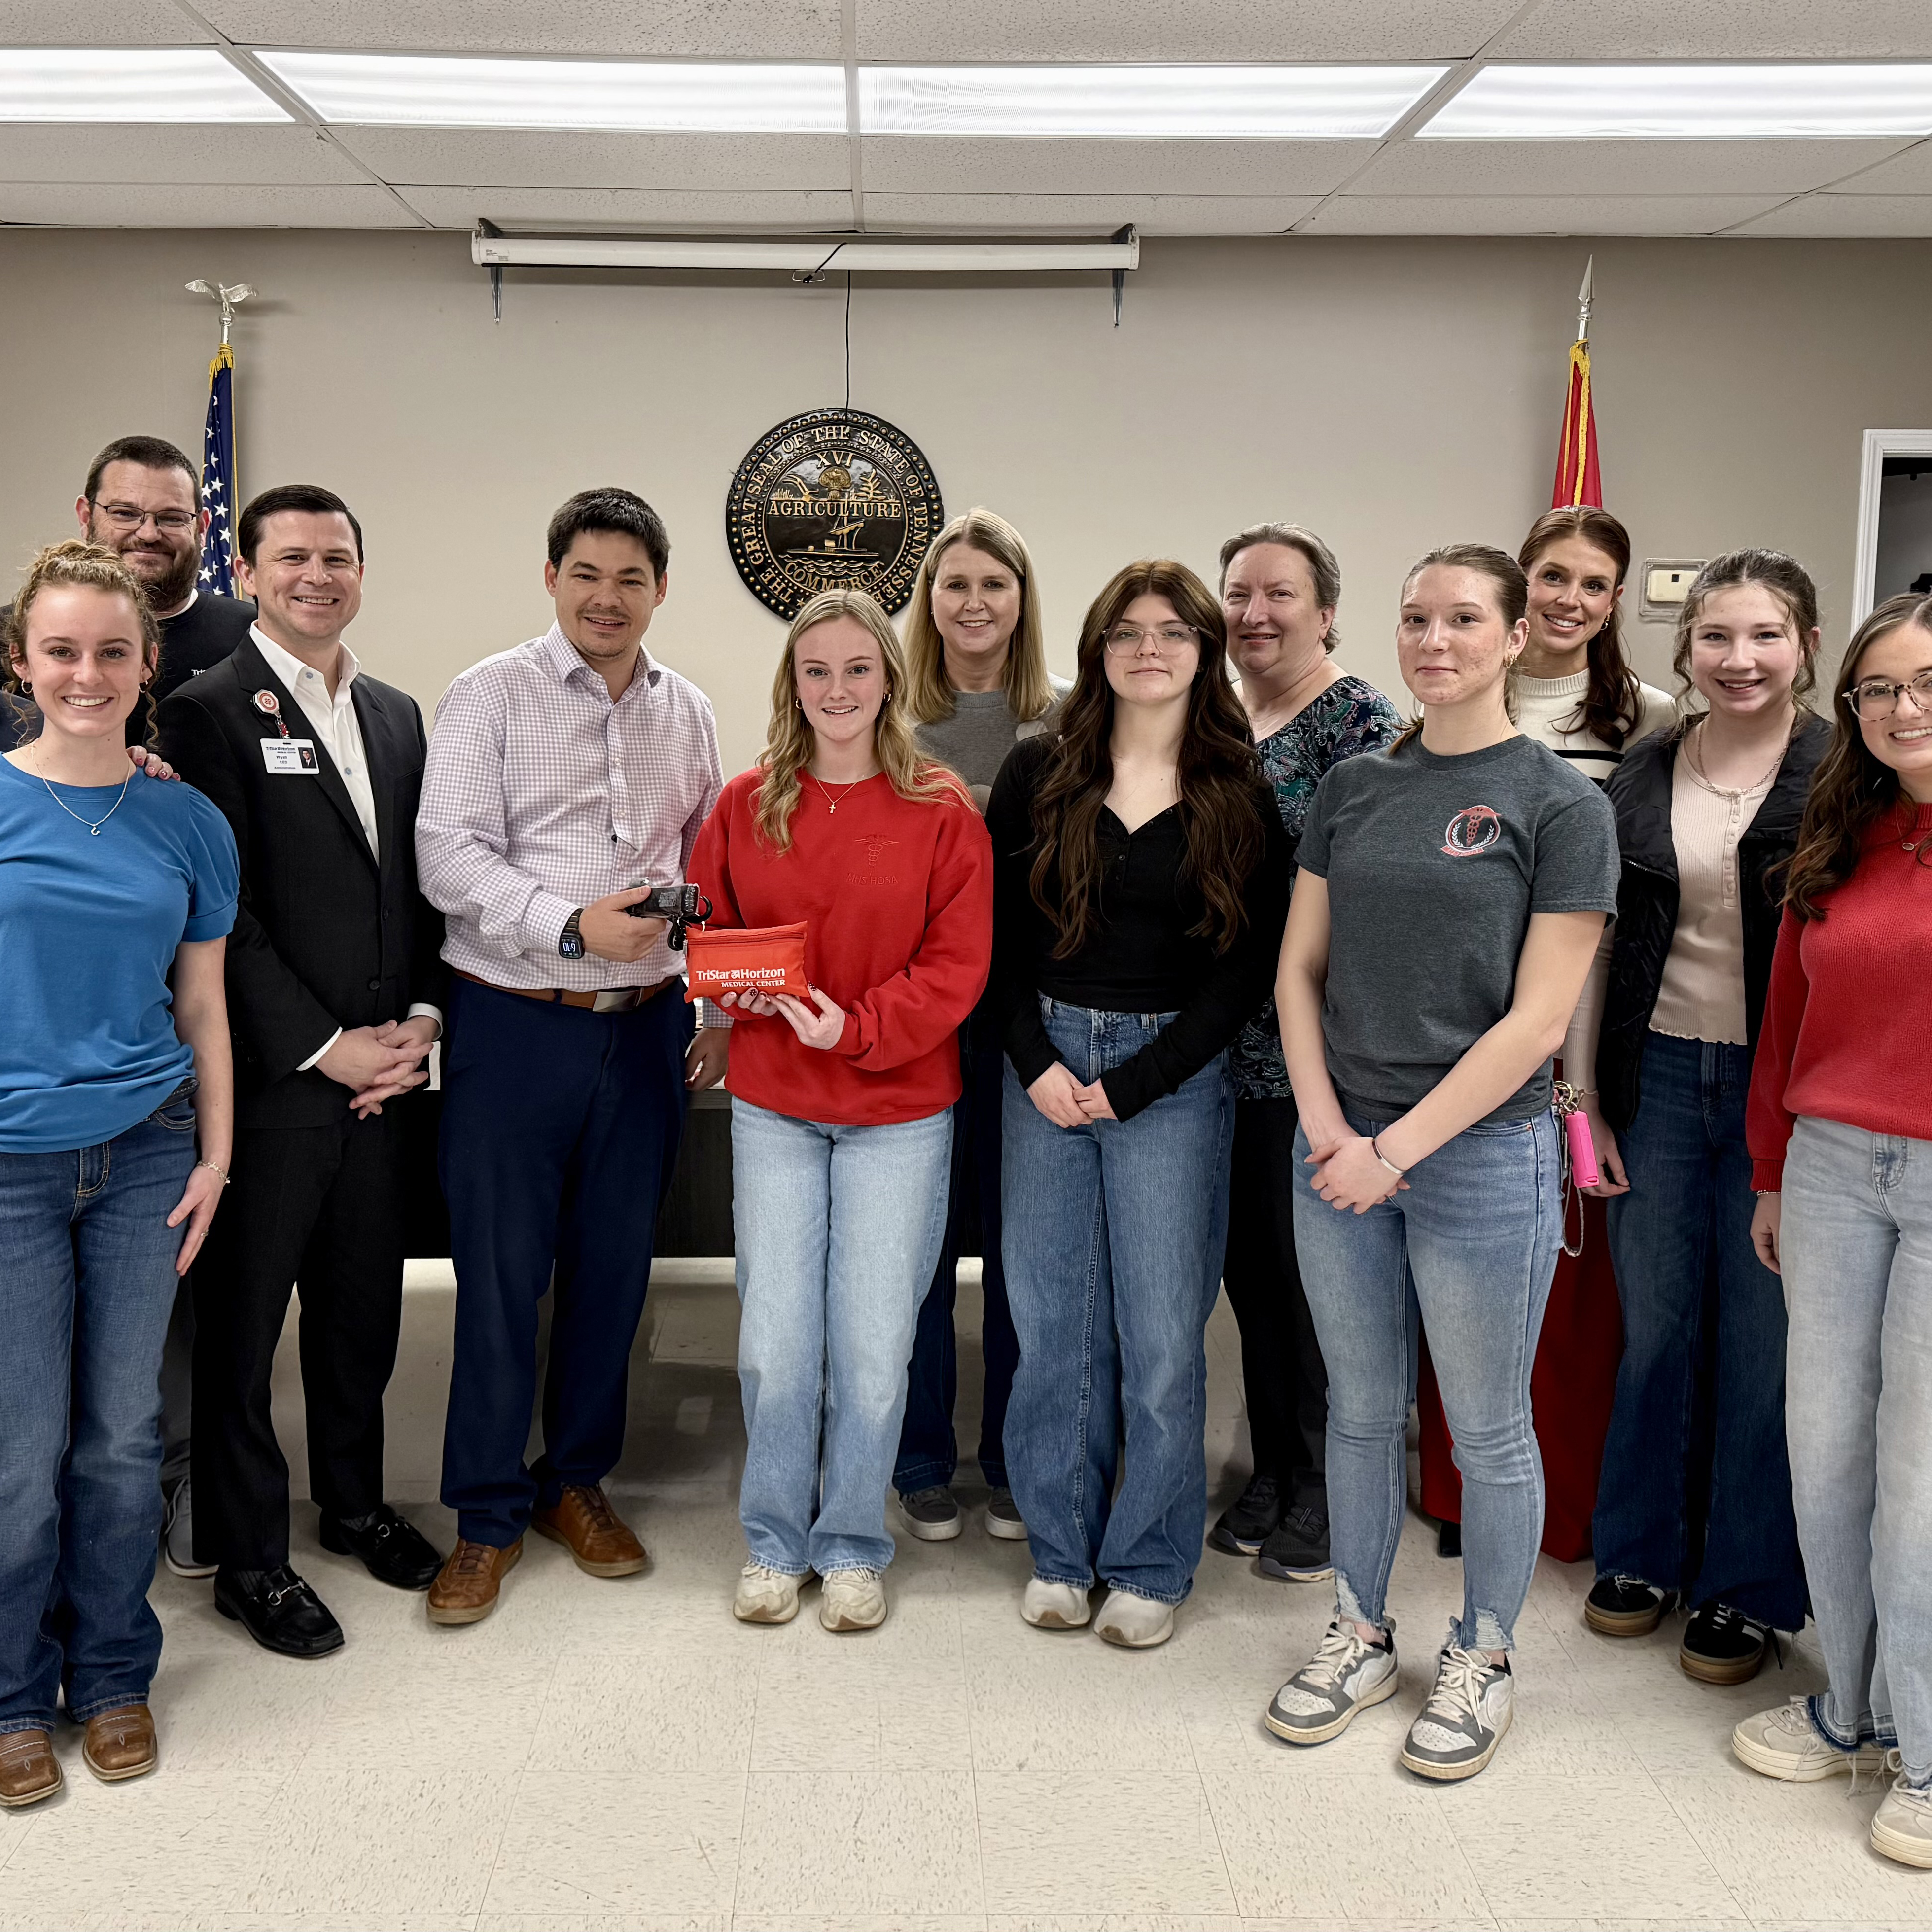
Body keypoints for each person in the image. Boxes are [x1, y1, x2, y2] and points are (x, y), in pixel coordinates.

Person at [1268, 544, 1616, 1781]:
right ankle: (1360, 1627)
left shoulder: (1561, 804)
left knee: (1485, 1429)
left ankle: (1484, 1651)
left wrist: (1397, 1150)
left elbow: (1535, 1022)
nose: (1436, 638)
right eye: (1416, 617)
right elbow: (1296, 970)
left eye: (1464, 617)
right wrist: (1326, 1131)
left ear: (1515, 635)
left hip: (1483, 1158)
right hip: (1338, 1154)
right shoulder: (1354, 787)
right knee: (1360, 1415)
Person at [416, 487, 724, 1627]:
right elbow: (447, 856)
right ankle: (485, 1516)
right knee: (500, 1276)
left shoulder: (686, 710)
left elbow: (704, 868)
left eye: (631, 579)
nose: (608, 598)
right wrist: (567, 923)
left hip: (642, 1029)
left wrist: (710, 998)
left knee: (614, 1273)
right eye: (587, 575)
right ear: (553, 578)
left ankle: (573, 1484)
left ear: (658, 589)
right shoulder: (488, 694)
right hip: (515, 1019)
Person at [159, 483, 448, 1658]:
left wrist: (421, 1021)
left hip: (387, 1081)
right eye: (292, 557)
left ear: (362, 572)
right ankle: (251, 1558)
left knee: (357, 1315)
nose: (317, 575)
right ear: (250, 569)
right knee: (241, 1331)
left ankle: (355, 1502)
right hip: (276, 1085)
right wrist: (327, 1048)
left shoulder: (395, 713)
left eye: (338, 557)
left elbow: (422, 888)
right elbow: (223, 922)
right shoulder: (205, 712)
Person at [991, 559, 1291, 1650]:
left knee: (1162, 1333)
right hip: (1045, 1066)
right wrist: (1036, 1063)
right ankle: (1061, 1555)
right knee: (1055, 1323)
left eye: (1172, 630)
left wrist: (1136, 1082)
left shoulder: (1235, 787)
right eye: (1127, 630)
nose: (1148, 647)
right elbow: (997, 943)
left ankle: (1150, 1563)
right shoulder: (1040, 772)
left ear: (1205, 651)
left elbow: (1243, 970)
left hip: (1173, 1076)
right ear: (1097, 649)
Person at [690, 588, 992, 1631]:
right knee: (776, 1338)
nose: (837, 690)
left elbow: (957, 971)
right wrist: (728, 997)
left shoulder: (943, 808)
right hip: (776, 1106)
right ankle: (775, 1540)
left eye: (857, 669)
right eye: (815, 671)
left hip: (899, 1108)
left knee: (871, 1343)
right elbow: (715, 937)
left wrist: (852, 1028)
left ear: (889, 681)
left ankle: (854, 1542)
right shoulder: (745, 803)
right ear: (792, 684)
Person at [0, 542, 236, 1806]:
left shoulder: (186, 818)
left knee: (121, 1437)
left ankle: (111, 1674)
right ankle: (8, 1691)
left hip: (147, 1155)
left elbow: (202, 1008)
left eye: (111, 651)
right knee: (16, 1449)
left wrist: (217, 1156)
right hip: (9, 1172)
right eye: (60, 650)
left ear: (150, 665)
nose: (85, 674)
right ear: (21, 660)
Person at [1571, 550, 1826, 1684]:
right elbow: (1594, 941)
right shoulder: (1642, 768)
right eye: (1716, 638)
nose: (1740, 659)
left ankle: (1745, 1585)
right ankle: (1637, 1554)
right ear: (1686, 651)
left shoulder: (1843, 773)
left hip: (1790, 1095)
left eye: (1765, 635)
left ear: (1806, 646)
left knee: (1762, 1343)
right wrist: (1584, 1104)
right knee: (1658, 1327)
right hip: (1661, 1077)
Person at [1415, 506, 1675, 1560]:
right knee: (1457, 1272)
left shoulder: (1649, 721)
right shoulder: (1455, 692)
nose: (1568, 598)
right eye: (1550, 576)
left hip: (1587, 1027)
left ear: (1616, 602)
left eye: (1593, 583)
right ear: (1517, 591)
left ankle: (1560, 1496)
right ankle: (1453, 1491)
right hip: (1458, 1025)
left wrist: (1578, 1089)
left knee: (1570, 1290)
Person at [1735, 591, 1932, 1869]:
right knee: (1824, 1452)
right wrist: (1768, 1172)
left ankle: (1930, 1750)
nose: (1905, 708)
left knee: (1921, 1490)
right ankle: (1850, 1705)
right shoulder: (1845, 830)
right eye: (1879, 690)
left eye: (1927, 682)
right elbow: (1787, 1016)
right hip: (1825, 1170)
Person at [77, 433, 255, 1581]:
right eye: (127, 512)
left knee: (195, 1282)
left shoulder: (245, 641)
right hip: (52, 1036)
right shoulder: (46, 638)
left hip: (191, 1025)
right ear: (86, 513)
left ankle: (186, 1479)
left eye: (172, 514)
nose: (151, 531)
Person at [1207, 522, 1400, 1581]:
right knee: (1251, 1272)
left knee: (1314, 1280)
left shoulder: (1361, 724)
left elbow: (1367, 899)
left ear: (1326, 610)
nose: (1255, 614)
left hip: (1313, 1048)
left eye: (1279, 594)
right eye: (1238, 593)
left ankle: (1327, 1486)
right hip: (1221, 1046)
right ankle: (1273, 1468)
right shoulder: (1219, 717)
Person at [893, 508, 1068, 1545]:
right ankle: (921, 1456)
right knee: (915, 1247)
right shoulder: (889, 716)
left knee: (1022, 1252)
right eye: (952, 584)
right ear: (929, 600)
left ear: (1021, 599)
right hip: (921, 1020)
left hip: (1033, 1022)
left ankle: (1010, 1454)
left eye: (993, 586)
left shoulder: (1070, 718)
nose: (971, 604)